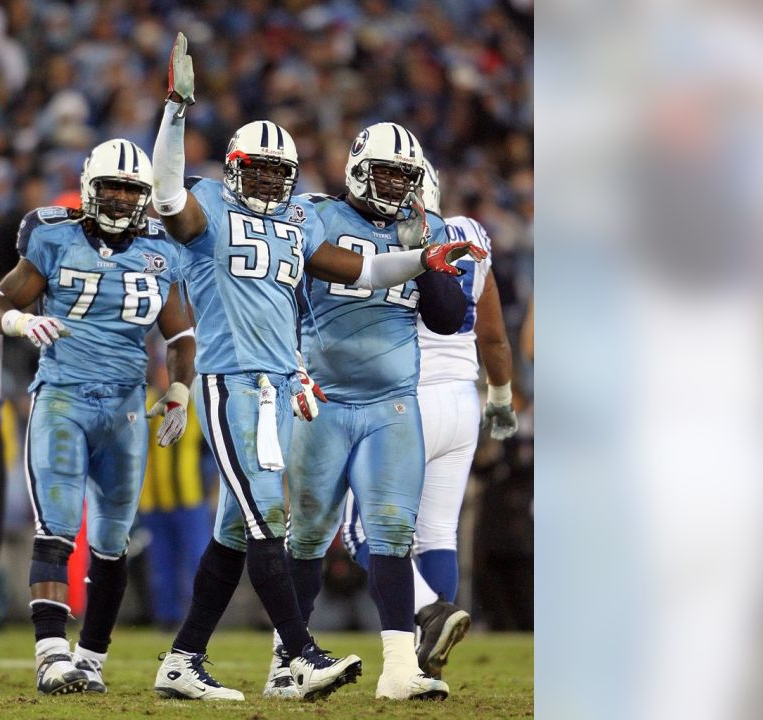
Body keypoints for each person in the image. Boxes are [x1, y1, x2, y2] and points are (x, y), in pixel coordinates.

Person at [147, 33, 484, 702]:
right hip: (256, 384)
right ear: (235, 165)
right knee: (281, 523)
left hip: (309, 389)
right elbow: (163, 199)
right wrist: (175, 113)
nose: (269, 179)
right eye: (258, 168)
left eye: (279, 170)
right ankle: (296, 657)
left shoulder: (303, 221)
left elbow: (364, 270)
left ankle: (186, 659)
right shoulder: (213, 203)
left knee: (244, 530)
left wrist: (422, 260)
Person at [0, 138, 196, 696]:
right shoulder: (52, 234)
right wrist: (18, 324)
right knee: (57, 524)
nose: (119, 197)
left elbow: (179, 334)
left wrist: (179, 389)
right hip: (63, 396)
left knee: (113, 539)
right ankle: (51, 654)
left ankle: (91, 660)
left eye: (131, 189)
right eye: (110, 186)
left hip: (127, 406)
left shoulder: (161, 248)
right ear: (89, 187)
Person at [283, 127, 473, 701]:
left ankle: (398, 669)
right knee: (311, 533)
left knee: (393, 530)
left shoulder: (428, 226)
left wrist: (430, 260)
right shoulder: (315, 215)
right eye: (386, 172)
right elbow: (284, 292)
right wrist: (290, 365)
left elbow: (446, 319)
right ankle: (287, 655)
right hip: (324, 398)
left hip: (393, 402)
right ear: (359, 169)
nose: (395, 185)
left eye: (404, 176)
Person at [340, 159, 517, 680]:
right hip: (462, 400)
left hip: (404, 397)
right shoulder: (470, 233)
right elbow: (493, 335)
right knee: (438, 533)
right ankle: (429, 660)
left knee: (359, 531)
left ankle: (429, 613)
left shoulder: (383, 236)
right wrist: (501, 397)